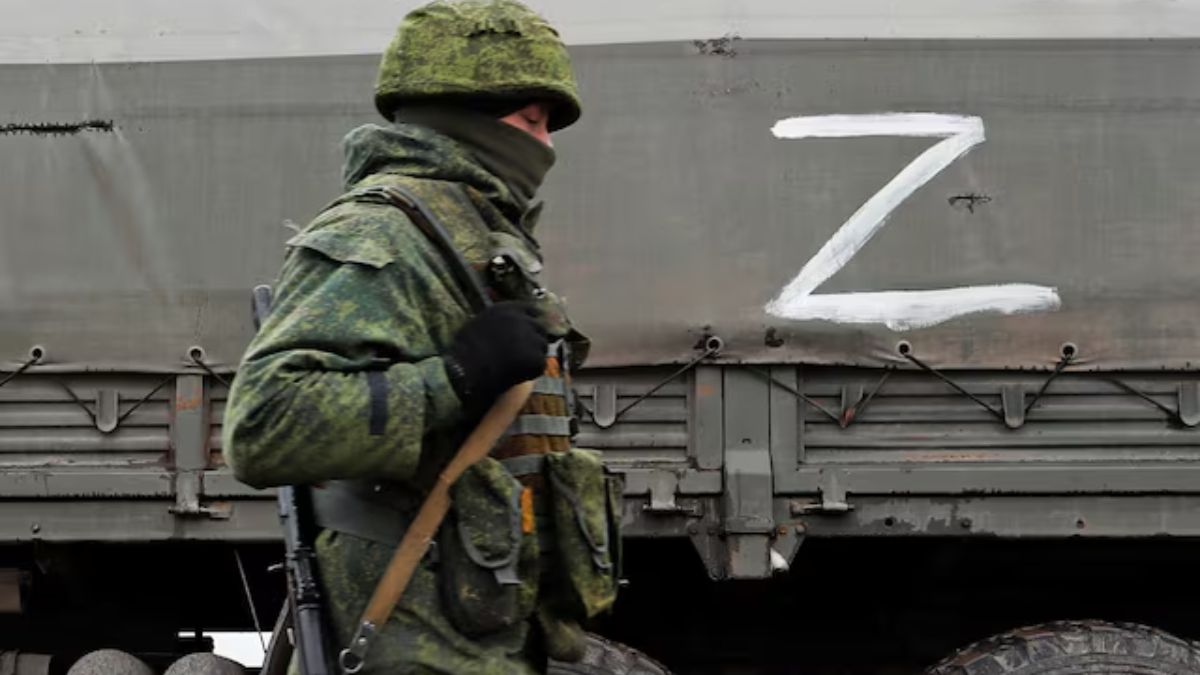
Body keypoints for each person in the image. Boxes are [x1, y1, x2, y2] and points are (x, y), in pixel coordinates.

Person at [222, 1, 620, 673]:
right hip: (411, 644)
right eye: (531, 121)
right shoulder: (381, 233)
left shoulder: (474, 234)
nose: (546, 147)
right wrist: (454, 379)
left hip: (477, 639)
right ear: (465, 113)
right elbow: (265, 424)